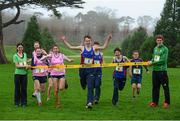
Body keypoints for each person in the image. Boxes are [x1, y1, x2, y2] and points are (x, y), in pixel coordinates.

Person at [60, 34, 112, 109]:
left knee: (90, 87)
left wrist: (108, 39)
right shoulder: (82, 48)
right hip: (82, 70)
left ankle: (89, 102)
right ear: (84, 41)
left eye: (89, 41)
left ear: (91, 41)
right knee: (83, 82)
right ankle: (83, 84)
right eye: (86, 41)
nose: (88, 42)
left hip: (90, 70)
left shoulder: (94, 48)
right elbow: (71, 47)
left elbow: (104, 47)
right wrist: (64, 40)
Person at [148, 35, 170, 108]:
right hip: (155, 71)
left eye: (160, 40)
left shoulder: (165, 49)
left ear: (162, 41)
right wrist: (150, 61)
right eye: (158, 40)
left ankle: (167, 102)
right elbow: (154, 58)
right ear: (156, 41)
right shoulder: (155, 48)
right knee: (155, 87)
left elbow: (163, 60)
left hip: (162, 71)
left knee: (165, 87)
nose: (159, 41)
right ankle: (155, 102)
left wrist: (152, 63)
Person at [13, 43, 30, 107]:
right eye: (19, 47)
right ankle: (17, 103)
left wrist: (27, 66)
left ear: (23, 48)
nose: (20, 48)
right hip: (17, 74)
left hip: (24, 74)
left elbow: (25, 62)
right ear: (17, 48)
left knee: (24, 89)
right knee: (17, 89)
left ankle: (24, 103)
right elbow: (17, 66)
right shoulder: (15, 56)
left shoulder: (25, 54)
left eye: (21, 47)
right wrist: (25, 65)